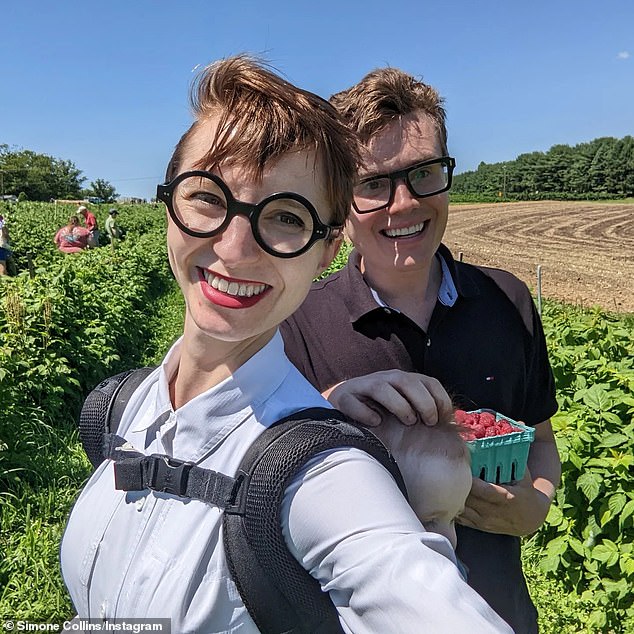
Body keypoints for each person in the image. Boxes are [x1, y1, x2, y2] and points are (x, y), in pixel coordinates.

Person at [59, 56, 510, 633]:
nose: (235, 247)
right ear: (167, 206)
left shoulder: (322, 473)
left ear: (326, 250)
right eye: (208, 197)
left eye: (288, 218)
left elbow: (409, 587)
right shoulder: (123, 406)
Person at [281, 67, 561, 634]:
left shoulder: (507, 300)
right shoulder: (298, 322)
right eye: (374, 183)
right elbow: (254, 484)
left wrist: (537, 503)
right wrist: (326, 412)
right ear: (341, 198)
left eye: (424, 173)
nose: (404, 203)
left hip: (497, 611)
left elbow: (541, 439)